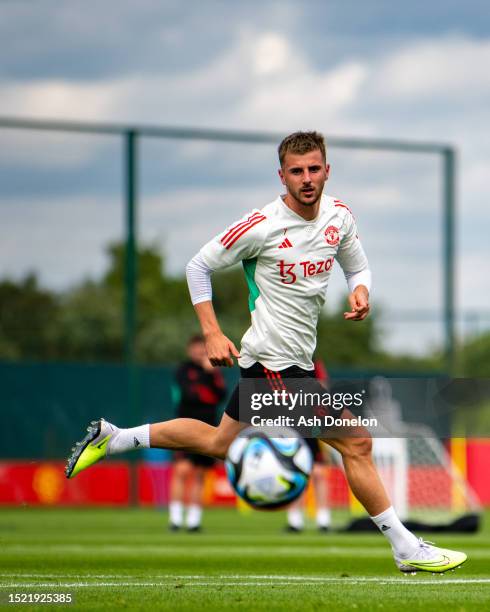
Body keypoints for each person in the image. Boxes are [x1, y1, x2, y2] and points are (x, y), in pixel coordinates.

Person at [65, 131, 466, 573]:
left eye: (314, 169)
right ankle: (406, 549)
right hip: (277, 366)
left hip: (287, 363)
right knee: (357, 442)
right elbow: (197, 266)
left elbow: (357, 263)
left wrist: (361, 291)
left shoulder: (339, 216)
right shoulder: (261, 225)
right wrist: (213, 333)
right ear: (282, 176)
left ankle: (117, 437)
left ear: (327, 171)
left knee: (221, 442)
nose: (307, 178)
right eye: (297, 171)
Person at [168, 334, 226, 531]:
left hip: (208, 425)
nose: (200, 352)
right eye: (196, 348)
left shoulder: (213, 370)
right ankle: (175, 519)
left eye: (203, 349)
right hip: (184, 425)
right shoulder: (183, 370)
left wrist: (211, 374)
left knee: (201, 474)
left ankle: (194, 520)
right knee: (182, 470)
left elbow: (220, 395)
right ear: (189, 350)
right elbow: (190, 394)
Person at [286, 358, 331, 533]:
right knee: (295, 473)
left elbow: (323, 388)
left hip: (311, 423)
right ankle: (294, 520)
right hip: (289, 424)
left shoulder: (314, 363)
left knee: (319, 473)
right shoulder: (279, 361)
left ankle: (323, 520)